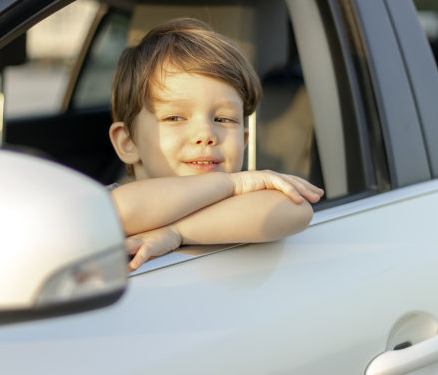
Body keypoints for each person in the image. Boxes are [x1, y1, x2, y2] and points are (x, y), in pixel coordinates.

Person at [108, 18, 324, 271]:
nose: (206, 134)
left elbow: (296, 210)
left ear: (243, 141)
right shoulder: (115, 200)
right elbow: (120, 212)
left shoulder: (239, 198)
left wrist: (176, 232)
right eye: (175, 117)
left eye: (223, 119)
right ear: (128, 142)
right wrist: (233, 183)